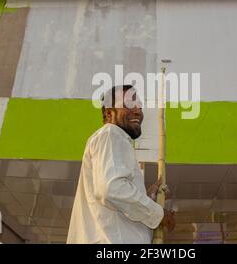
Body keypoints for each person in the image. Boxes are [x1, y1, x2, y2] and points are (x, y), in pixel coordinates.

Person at [67, 85, 175, 244]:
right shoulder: (111, 133)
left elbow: (114, 195)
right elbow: (111, 189)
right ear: (109, 112)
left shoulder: (111, 139)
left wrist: (147, 196)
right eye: (129, 105)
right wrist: (158, 214)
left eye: (139, 106)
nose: (138, 110)